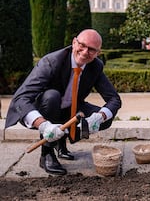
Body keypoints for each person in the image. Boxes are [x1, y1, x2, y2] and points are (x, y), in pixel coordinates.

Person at [5, 29, 122, 175]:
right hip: (45, 108)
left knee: (106, 119)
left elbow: (114, 99)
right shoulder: (51, 62)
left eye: (92, 49)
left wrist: (100, 117)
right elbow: (21, 98)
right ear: (74, 42)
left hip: (71, 108)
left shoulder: (95, 66)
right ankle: (47, 153)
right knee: (52, 96)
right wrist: (43, 124)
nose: (85, 52)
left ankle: (61, 140)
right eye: (82, 45)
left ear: (98, 52)